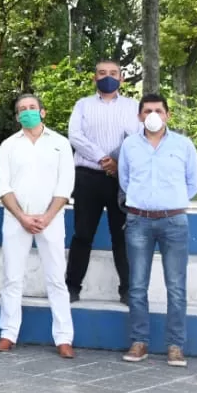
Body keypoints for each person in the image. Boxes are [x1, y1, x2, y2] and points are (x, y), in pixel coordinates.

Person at [119, 94, 197, 368]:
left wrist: (171, 204)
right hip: (138, 222)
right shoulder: (130, 145)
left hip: (174, 222)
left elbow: (193, 182)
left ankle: (176, 346)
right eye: (147, 110)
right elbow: (125, 180)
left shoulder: (183, 145)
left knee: (176, 287)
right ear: (140, 116)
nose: (153, 114)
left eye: (158, 110)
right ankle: (139, 341)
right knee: (138, 285)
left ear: (167, 114)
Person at [0, 95, 76, 358]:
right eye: (22, 110)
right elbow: (2, 186)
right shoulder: (8, 146)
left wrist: (48, 216)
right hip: (16, 220)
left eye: (32, 108)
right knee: (12, 278)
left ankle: (64, 338)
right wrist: (22, 216)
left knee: (56, 280)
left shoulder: (60, 144)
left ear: (43, 112)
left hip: (51, 220)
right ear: (16, 117)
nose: (27, 112)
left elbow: (65, 184)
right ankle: (8, 333)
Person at [66, 59, 141, 304]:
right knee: (82, 234)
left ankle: (128, 290)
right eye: (101, 73)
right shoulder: (83, 105)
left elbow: (138, 139)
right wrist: (103, 159)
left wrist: (118, 164)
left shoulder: (133, 107)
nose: (107, 76)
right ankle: (72, 287)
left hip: (122, 179)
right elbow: (75, 135)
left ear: (121, 78)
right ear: (94, 78)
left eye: (113, 73)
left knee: (122, 236)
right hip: (88, 178)